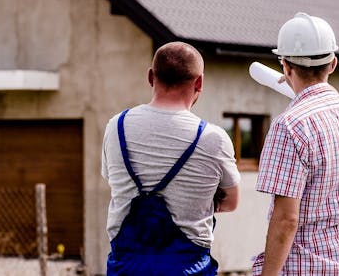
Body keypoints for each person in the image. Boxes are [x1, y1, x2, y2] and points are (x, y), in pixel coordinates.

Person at [102, 41, 241, 275]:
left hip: (126, 268)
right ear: (199, 83)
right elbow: (231, 202)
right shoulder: (213, 138)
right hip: (189, 268)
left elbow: (113, 182)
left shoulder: (116, 127)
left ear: (150, 76)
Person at [252, 12, 339, 275]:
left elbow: (286, 219)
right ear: (333, 64)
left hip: (310, 267)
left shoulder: (289, 126)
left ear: (285, 66)